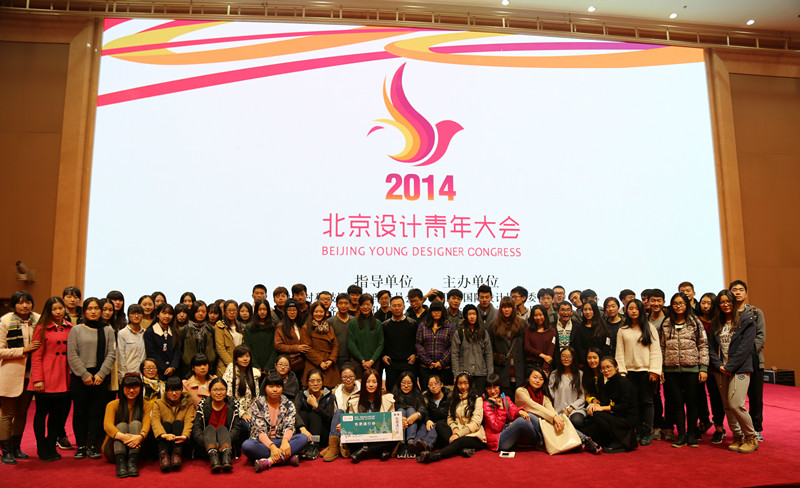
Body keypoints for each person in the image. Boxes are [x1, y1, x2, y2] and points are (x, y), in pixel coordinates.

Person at [708, 289, 759, 453]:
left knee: (736, 404)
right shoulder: (716, 323)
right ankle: (737, 436)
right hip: (721, 370)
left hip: (740, 368)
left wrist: (729, 367)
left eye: (728, 301)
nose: (725, 304)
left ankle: (751, 437)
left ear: (734, 302)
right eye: (722, 302)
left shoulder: (747, 320)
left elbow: (745, 348)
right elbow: (711, 347)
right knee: (727, 406)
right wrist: (719, 366)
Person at [67, 297, 116, 460]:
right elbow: (72, 354)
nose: (93, 311)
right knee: (80, 411)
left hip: (100, 376)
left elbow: (111, 354)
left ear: (100, 311)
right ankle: (81, 445)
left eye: (96, 308)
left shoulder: (107, 330)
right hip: (80, 376)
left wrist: (101, 374)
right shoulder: (76, 330)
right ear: (84, 311)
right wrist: (84, 374)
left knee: (97, 411)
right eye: (90, 308)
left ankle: (93, 444)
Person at [660, 292, 709, 448]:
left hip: (692, 369)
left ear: (687, 305)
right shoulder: (666, 323)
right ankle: (681, 434)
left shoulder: (695, 322)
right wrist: (661, 368)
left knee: (692, 402)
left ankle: (691, 434)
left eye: (681, 303)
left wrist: (703, 368)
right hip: (671, 370)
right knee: (676, 403)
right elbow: (661, 347)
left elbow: (703, 345)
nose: (678, 306)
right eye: (675, 303)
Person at [516, 365, 601, 454]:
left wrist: (556, 418)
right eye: (535, 377)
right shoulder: (520, 391)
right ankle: (582, 439)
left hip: (543, 424)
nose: (537, 381)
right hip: (529, 425)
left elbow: (550, 408)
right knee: (535, 417)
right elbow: (534, 406)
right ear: (528, 378)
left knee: (558, 421)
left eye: (541, 379)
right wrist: (553, 417)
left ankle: (582, 440)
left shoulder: (543, 395)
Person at [28, 296, 72, 462]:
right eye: (54, 309)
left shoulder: (70, 328)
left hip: (64, 376)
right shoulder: (41, 328)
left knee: (57, 415)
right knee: (41, 413)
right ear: (48, 311)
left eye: (60, 308)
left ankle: (51, 444)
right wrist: (37, 379)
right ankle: (41, 447)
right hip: (46, 377)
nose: (58, 311)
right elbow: (36, 356)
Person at [0, 291, 40, 465]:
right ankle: (6, 451)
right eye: (20, 302)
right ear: (14, 305)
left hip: (31, 374)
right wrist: (23, 350)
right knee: (7, 414)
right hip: (10, 373)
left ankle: (16, 447)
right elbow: (0, 351)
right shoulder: (6, 321)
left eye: (28, 302)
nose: (25, 305)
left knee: (22, 413)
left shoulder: (38, 319)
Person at [615, 299, 661, 446]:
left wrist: (654, 370)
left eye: (636, 308)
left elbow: (655, 351)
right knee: (633, 403)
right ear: (626, 310)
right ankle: (638, 430)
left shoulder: (649, 328)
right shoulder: (623, 330)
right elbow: (619, 353)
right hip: (629, 372)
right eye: (631, 308)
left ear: (641, 310)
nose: (634, 311)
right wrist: (622, 372)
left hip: (646, 372)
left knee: (647, 402)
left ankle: (647, 431)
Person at [243, 370, 308, 471]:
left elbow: (289, 426)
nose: (275, 390)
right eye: (271, 386)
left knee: (303, 438)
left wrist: (285, 442)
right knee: (247, 445)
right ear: (265, 388)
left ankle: (269, 461)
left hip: (282, 440)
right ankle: (286, 458)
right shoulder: (258, 404)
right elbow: (259, 431)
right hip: (263, 443)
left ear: (282, 388)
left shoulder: (288, 404)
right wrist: (272, 447)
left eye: (278, 386)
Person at [417, 372, 485, 463]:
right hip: (457, 431)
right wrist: (455, 429)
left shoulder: (477, 399)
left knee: (459, 441)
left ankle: (434, 456)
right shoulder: (454, 399)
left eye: (465, 383)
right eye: (460, 383)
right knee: (440, 424)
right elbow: (450, 418)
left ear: (470, 384)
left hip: (474, 435)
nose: (463, 387)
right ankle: (461, 450)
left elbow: (475, 424)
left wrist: (458, 434)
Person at [729, 279, 766, 442]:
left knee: (755, 397)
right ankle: (740, 429)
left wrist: (746, 352)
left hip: (754, 359)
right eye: (734, 290)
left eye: (740, 289)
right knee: (736, 399)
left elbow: (761, 336)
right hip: (733, 362)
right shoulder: (727, 312)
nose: (737, 292)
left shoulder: (756, 312)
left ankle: (756, 429)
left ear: (745, 293)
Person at [583, 357, 638, 453]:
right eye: (603, 368)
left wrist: (602, 408)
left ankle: (619, 441)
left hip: (627, 418)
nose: (606, 370)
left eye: (608, 367)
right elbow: (604, 402)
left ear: (616, 367)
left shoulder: (624, 383)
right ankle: (609, 440)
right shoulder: (608, 384)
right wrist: (594, 406)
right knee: (593, 417)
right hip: (616, 414)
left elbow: (625, 406)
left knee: (598, 415)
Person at [102, 373, 151, 478]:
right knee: (122, 425)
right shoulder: (112, 405)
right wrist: (124, 437)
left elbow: (147, 424)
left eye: (135, 387)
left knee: (136, 424)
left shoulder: (147, 405)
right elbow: (107, 425)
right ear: (122, 388)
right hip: (114, 449)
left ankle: (132, 462)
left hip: (138, 447)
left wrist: (139, 437)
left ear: (140, 388)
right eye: (128, 387)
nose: (131, 390)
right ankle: (121, 463)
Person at [343, 368, 396, 463]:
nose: (371, 385)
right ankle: (379, 451)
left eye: (374, 382)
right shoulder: (354, 399)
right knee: (348, 438)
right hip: (361, 438)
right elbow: (351, 423)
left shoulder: (387, 398)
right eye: (368, 382)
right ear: (363, 383)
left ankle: (365, 451)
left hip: (380, 437)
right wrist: (344, 426)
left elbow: (391, 422)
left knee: (395, 436)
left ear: (379, 383)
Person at [191, 377, 241, 473]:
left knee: (222, 429)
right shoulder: (203, 404)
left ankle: (226, 457)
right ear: (210, 391)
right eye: (215, 390)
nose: (218, 393)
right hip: (207, 443)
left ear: (226, 391)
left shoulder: (233, 404)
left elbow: (236, 428)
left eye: (222, 389)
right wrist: (210, 444)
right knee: (210, 428)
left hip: (226, 440)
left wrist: (222, 444)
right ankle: (213, 457)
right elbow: (197, 428)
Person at [481, 373, 540, 452]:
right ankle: (540, 442)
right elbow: (497, 428)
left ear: (500, 387)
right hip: (499, 440)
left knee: (529, 415)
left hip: (508, 432)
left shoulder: (505, 399)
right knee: (522, 421)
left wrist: (520, 411)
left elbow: (514, 411)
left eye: (495, 387)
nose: (492, 391)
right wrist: (501, 408)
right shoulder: (486, 404)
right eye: (489, 388)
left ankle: (545, 439)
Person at [696, 292, 726, 443]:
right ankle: (703, 421)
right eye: (703, 303)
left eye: (709, 303)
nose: (706, 306)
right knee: (698, 395)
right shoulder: (695, 320)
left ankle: (719, 427)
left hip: (715, 364)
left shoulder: (719, 321)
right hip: (698, 363)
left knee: (716, 397)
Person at [152, 376, 195, 472]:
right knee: (166, 424)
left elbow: (189, 421)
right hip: (163, 438)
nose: (174, 393)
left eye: (177, 390)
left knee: (178, 423)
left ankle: (177, 454)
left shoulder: (188, 403)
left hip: (180, 439)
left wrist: (185, 436)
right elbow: (155, 421)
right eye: (171, 390)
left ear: (182, 390)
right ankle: (163, 455)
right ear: (166, 391)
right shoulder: (158, 403)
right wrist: (163, 434)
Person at [321, 364, 361, 462]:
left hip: (357, 423)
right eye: (345, 377)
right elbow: (335, 415)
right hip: (340, 425)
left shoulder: (362, 390)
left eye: (351, 376)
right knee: (339, 412)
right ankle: (333, 447)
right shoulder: (336, 392)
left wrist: (347, 423)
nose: (348, 379)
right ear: (341, 378)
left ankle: (333, 446)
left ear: (355, 377)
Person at [450, 304, 493, 392]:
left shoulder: (483, 333)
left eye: (474, 314)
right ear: (465, 316)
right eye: (469, 314)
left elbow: (488, 355)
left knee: (479, 398)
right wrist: (456, 375)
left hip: (481, 373)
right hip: (464, 374)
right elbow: (455, 355)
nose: (472, 317)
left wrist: (490, 375)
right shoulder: (459, 333)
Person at [489, 297, 526, 397]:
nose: (506, 310)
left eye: (509, 307)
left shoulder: (522, 324)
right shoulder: (493, 325)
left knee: (520, 402)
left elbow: (525, 347)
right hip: (502, 371)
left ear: (513, 308)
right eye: (504, 307)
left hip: (519, 372)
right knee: (504, 402)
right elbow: (489, 349)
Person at [393, 371, 434, 459]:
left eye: (409, 383)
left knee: (411, 410)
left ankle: (410, 443)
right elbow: (391, 410)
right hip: (398, 427)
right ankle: (401, 443)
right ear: (399, 383)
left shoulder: (418, 395)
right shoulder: (393, 395)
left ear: (413, 384)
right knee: (400, 411)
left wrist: (417, 415)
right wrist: (400, 418)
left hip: (415, 426)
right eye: (403, 383)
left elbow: (423, 409)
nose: (406, 386)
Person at [294, 369, 334, 459]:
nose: (315, 384)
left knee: (315, 413)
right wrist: (302, 428)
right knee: (303, 413)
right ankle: (304, 444)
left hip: (322, 433)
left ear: (322, 382)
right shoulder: (301, 395)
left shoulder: (329, 396)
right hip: (305, 432)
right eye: (312, 381)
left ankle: (314, 445)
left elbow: (330, 417)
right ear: (307, 382)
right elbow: (294, 413)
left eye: (318, 381)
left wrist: (316, 406)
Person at [382, 296, 418, 393]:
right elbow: (382, 343)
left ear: (404, 307)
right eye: (394, 306)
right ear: (390, 308)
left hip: (408, 363)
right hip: (391, 364)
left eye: (399, 305)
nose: (397, 308)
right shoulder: (385, 325)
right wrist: (384, 355)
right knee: (391, 392)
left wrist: (415, 354)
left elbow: (417, 341)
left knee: (409, 391)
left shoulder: (412, 323)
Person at [300, 301, 339, 388]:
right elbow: (307, 349)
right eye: (316, 312)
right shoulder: (306, 328)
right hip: (313, 364)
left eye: (321, 312)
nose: (319, 314)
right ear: (312, 313)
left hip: (329, 365)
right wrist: (320, 362)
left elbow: (335, 346)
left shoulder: (329, 327)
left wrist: (331, 360)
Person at [223, 345, 261, 435]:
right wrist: (242, 414)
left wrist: (251, 413)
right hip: (235, 413)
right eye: (241, 356)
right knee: (249, 426)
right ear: (236, 359)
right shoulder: (230, 375)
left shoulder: (253, 374)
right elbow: (228, 398)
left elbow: (255, 397)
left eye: (247, 356)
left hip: (251, 412)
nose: (245, 359)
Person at [416, 301, 455, 387]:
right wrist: (428, 362)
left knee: (445, 392)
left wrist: (441, 362)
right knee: (426, 393)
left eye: (439, 310)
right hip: (426, 368)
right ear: (430, 312)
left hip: (444, 368)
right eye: (434, 310)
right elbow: (418, 345)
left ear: (443, 312)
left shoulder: (449, 327)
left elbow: (452, 347)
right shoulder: (423, 326)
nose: (436, 313)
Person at [548, 346, 586, 429]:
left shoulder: (580, 374)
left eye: (569, 357)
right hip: (558, 411)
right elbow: (550, 395)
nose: (566, 359)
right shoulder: (554, 374)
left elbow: (582, 397)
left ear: (573, 358)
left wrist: (570, 409)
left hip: (575, 410)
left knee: (577, 421)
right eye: (563, 356)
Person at [347, 294, 384, 378]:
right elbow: (351, 344)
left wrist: (371, 360)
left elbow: (381, 344)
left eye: (368, 304)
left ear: (372, 305)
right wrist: (362, 360)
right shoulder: (353, 323)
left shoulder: (378, 323)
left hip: (374, 362)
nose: (365, 307)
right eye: (363, 304)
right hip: (357, 363)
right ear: (359, 306)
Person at [181, 300, 217, 378]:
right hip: (189, 369)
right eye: (198, 311)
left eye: (203, 311)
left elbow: (214, 347)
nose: (201, 314)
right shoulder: (185, 329)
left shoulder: (210, 329)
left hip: (208, 368)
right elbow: (181, 349)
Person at [144, 303, 181, 379]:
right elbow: (152, 353)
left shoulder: (175, 331)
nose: (167, 316)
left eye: (170, 314)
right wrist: (165, 368)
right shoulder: (150, 332)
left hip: (174, 372)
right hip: (157, 372)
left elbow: (177, 351)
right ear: (157, 314)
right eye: (164, 313)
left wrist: (173, 367)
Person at [274, 299, 309, 377]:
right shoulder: (281, 326)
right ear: (285, 311)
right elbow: (278, 346)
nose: (292, 312)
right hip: (290, 362)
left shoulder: (301, 324)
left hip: (303, 361)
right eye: (289, 310)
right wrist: (296, 348)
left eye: (294, 310)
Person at [244, 298, 277, 377]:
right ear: (256, 311)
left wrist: (268, 367)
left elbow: (275, 348)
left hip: (271, 367)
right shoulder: (249, 327)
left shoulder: (274, 326)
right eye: (259, 309)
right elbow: (248, 348)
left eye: (264, 309)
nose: (262, 312)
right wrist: (256, 366)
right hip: (254, 368)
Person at [572, 300, 611, 367]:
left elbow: (606, 346)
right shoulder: (579, 328)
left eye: (590, 309)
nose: (587, 312)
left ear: (595, 311)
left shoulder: (603, 326)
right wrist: (588, 361)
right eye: (585, 310)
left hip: (602, 363)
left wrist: (600, 360)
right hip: (585, 364)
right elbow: (578, 347)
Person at [523, 304, 557, 375]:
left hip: (545, 366)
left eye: (541, 315)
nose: (538, 318)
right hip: (531, 366)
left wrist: (545, 369)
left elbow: (550, 352)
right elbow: (527, 347)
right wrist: (542, 355)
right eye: (535, 315)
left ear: (545, 315)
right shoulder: (528, 330)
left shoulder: (552, 331)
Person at [117, 304, 146, 380]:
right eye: (133, 313)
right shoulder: (122, 333)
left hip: (143, 375)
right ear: (128, 316)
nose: (136, 316)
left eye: (139, 313)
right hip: (128, 374)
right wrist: (123, 375)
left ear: (142, 316)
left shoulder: (145, 333)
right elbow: (120, 356)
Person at [422, 375, 451, 449]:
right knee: (422, 425)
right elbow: (424, 411)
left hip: (445, 424)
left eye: (436, 384)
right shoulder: (426, 397)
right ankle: (416, 444)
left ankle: (426, 446)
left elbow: (445, 414)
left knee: (437, 424)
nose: (433, 387)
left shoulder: (449, 395)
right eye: (430, 385)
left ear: (441, 384)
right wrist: (427, 420)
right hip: (431, 423)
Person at [215, 300, 241, 377]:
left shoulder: (241, 326)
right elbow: (220, 349)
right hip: (225, 365)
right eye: (229, 310)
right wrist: (232, 365)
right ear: (224, 312)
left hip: (241, 363)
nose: (232, 313)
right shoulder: (220, 326)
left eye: (234, 310)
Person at [328, 294, 352, 372]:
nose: (343, 306)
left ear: (350, 305)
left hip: (351, 358)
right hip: (336, 358)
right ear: (336, 305)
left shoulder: (354, 321)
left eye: (346, 303)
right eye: (340, 303)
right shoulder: (330, 321)